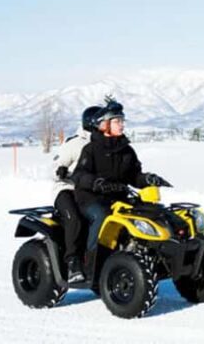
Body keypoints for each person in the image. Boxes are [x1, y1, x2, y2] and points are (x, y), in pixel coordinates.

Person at [72, 97, 169, 268]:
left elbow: (134, 176)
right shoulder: (91, 150)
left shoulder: (127, 150)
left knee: (147, 213)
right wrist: (96, 183)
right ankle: (90, 261)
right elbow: (79, 175)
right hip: (91, 198)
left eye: (122, 120)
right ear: (104, 125)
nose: (122, 125)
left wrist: (147, 179)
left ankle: (144, 253)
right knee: (101, 215)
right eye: (117, 121)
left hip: (118, 197)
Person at [51, 105, 101, 283]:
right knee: (75, 219)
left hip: (92, 193)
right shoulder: (75, 143)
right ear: (93, 123)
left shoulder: (104, 144)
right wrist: (61, 171)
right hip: (67, 190)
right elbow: (54, 167)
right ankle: (73, 263)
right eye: (102, 122)